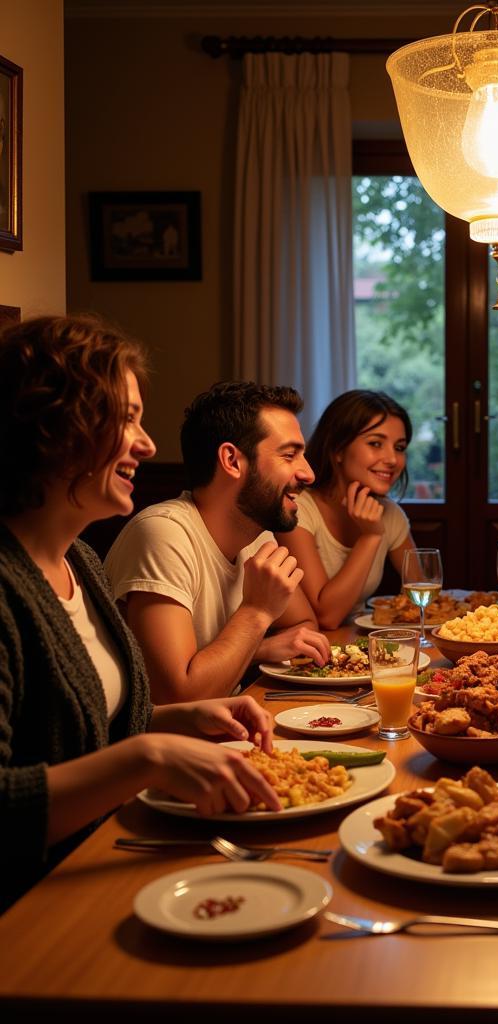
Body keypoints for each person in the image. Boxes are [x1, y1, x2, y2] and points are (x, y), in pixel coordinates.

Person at [0, 315, 282, 913]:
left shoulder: (81, 561)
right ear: (54, 425)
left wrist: (181, 723)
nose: (147, 444)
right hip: (34, 909)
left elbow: (90, 733)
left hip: (107, 857)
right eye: (125, 418)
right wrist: (147, 755)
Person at [104, 381, 330, 703]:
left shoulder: (258, 536)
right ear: (232, 460)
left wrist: (257, 649)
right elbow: (178, 698)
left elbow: (305, 627)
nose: (308, 473)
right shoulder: (163, 533)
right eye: (290, 455)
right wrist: (257, 611)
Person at [282, 390, 416, 629]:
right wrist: (371, 536)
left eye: (399, 447)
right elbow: (326, 617)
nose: (393, 459)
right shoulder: (296, 509)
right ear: (338, 450)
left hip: (359, 646)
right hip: (311, 653)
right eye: (376, 443)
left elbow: (423, 596)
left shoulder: (390, 514)